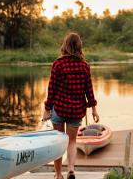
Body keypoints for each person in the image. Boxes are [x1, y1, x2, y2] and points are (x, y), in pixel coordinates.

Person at [43, 32, 99, 179]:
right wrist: (93, 109)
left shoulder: (58, 64)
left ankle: (58, 174)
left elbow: (52, 89)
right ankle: (71, 170)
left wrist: (47, 109)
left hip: (60, 110)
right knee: (72, 141)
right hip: (76, 111)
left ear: (65, 46)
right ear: (79, 46)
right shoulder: (84, 66)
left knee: (58, 142)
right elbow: (89, 90)